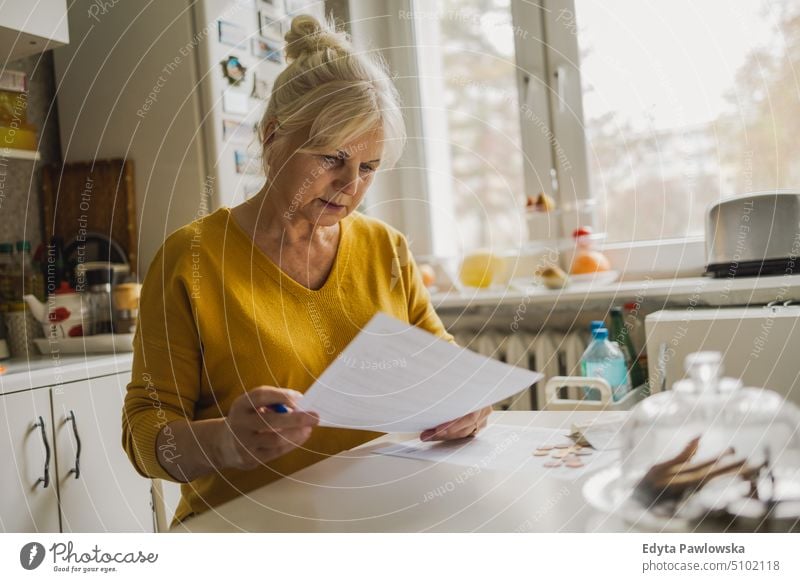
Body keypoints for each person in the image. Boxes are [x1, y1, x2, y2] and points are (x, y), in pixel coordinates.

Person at [122, 14, 491, 525]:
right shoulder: (192, 258)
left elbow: (444, 370)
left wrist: (468, 405)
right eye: (332, 158)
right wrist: (226, 442)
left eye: (368, 168)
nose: (350, 186)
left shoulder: (386, 248)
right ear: (273, 136)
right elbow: (145, 436)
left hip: (370, 522)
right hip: (239, 532)